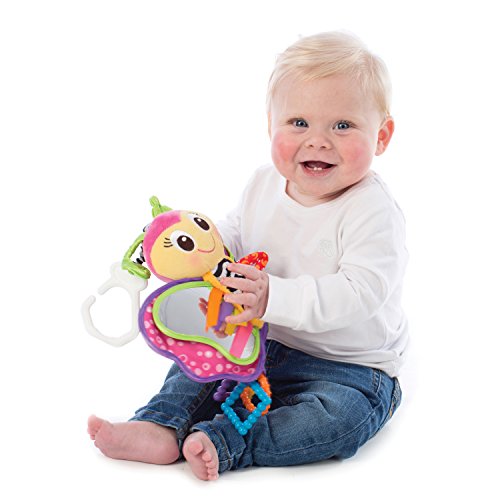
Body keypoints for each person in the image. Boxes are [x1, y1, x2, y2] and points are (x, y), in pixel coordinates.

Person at [88, 30, 408, 481]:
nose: (318, 141)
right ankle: (161, 423)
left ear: (382, 136)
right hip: (259, 341)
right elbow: (235, 239)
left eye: (342, 125)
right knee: (197, 361)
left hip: (347, 366)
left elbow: (360, 293)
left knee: (341, 419)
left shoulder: (371, 211)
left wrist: (273, 297)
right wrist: (194, 248)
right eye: (299, 122)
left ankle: (229, 440)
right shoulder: (263, 184)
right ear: (270, 124)